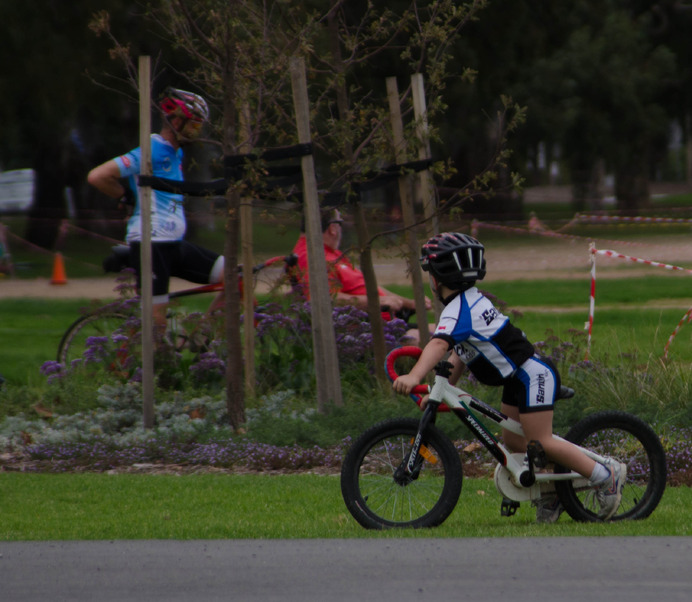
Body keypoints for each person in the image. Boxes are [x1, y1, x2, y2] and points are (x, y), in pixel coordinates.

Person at [392, 232, 627, 522]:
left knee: (541, 441)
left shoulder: (460, 309)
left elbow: (439, 344)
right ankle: (552, 493)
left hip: (532, 375)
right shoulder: (466, 303)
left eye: (429, 274)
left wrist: (414, 376)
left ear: (438, 279)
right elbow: (460, 353)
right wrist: (442, 388)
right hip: (516, 380)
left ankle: (606, 476)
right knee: (515, 443)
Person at [87, 87, 224, 330]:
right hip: (152, 242)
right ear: (177, 121)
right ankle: (148, 365)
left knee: (234, 278)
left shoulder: (176, 153)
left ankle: (201, 340)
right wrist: (126, 196)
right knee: (156, 321)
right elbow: (98, 176)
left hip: (172, 242)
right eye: (194, 124)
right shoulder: (151, 150)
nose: (198, 130)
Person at [291, 208, 432, 343]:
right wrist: (379, 302)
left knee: (443, 332)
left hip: (384, 323)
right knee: (438, 340)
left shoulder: (331, 254)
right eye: (340, 223)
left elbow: (370, 289)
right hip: (366, 331)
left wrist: (410, 303)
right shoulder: (311, 256)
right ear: (333, 228)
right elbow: (327, 298)